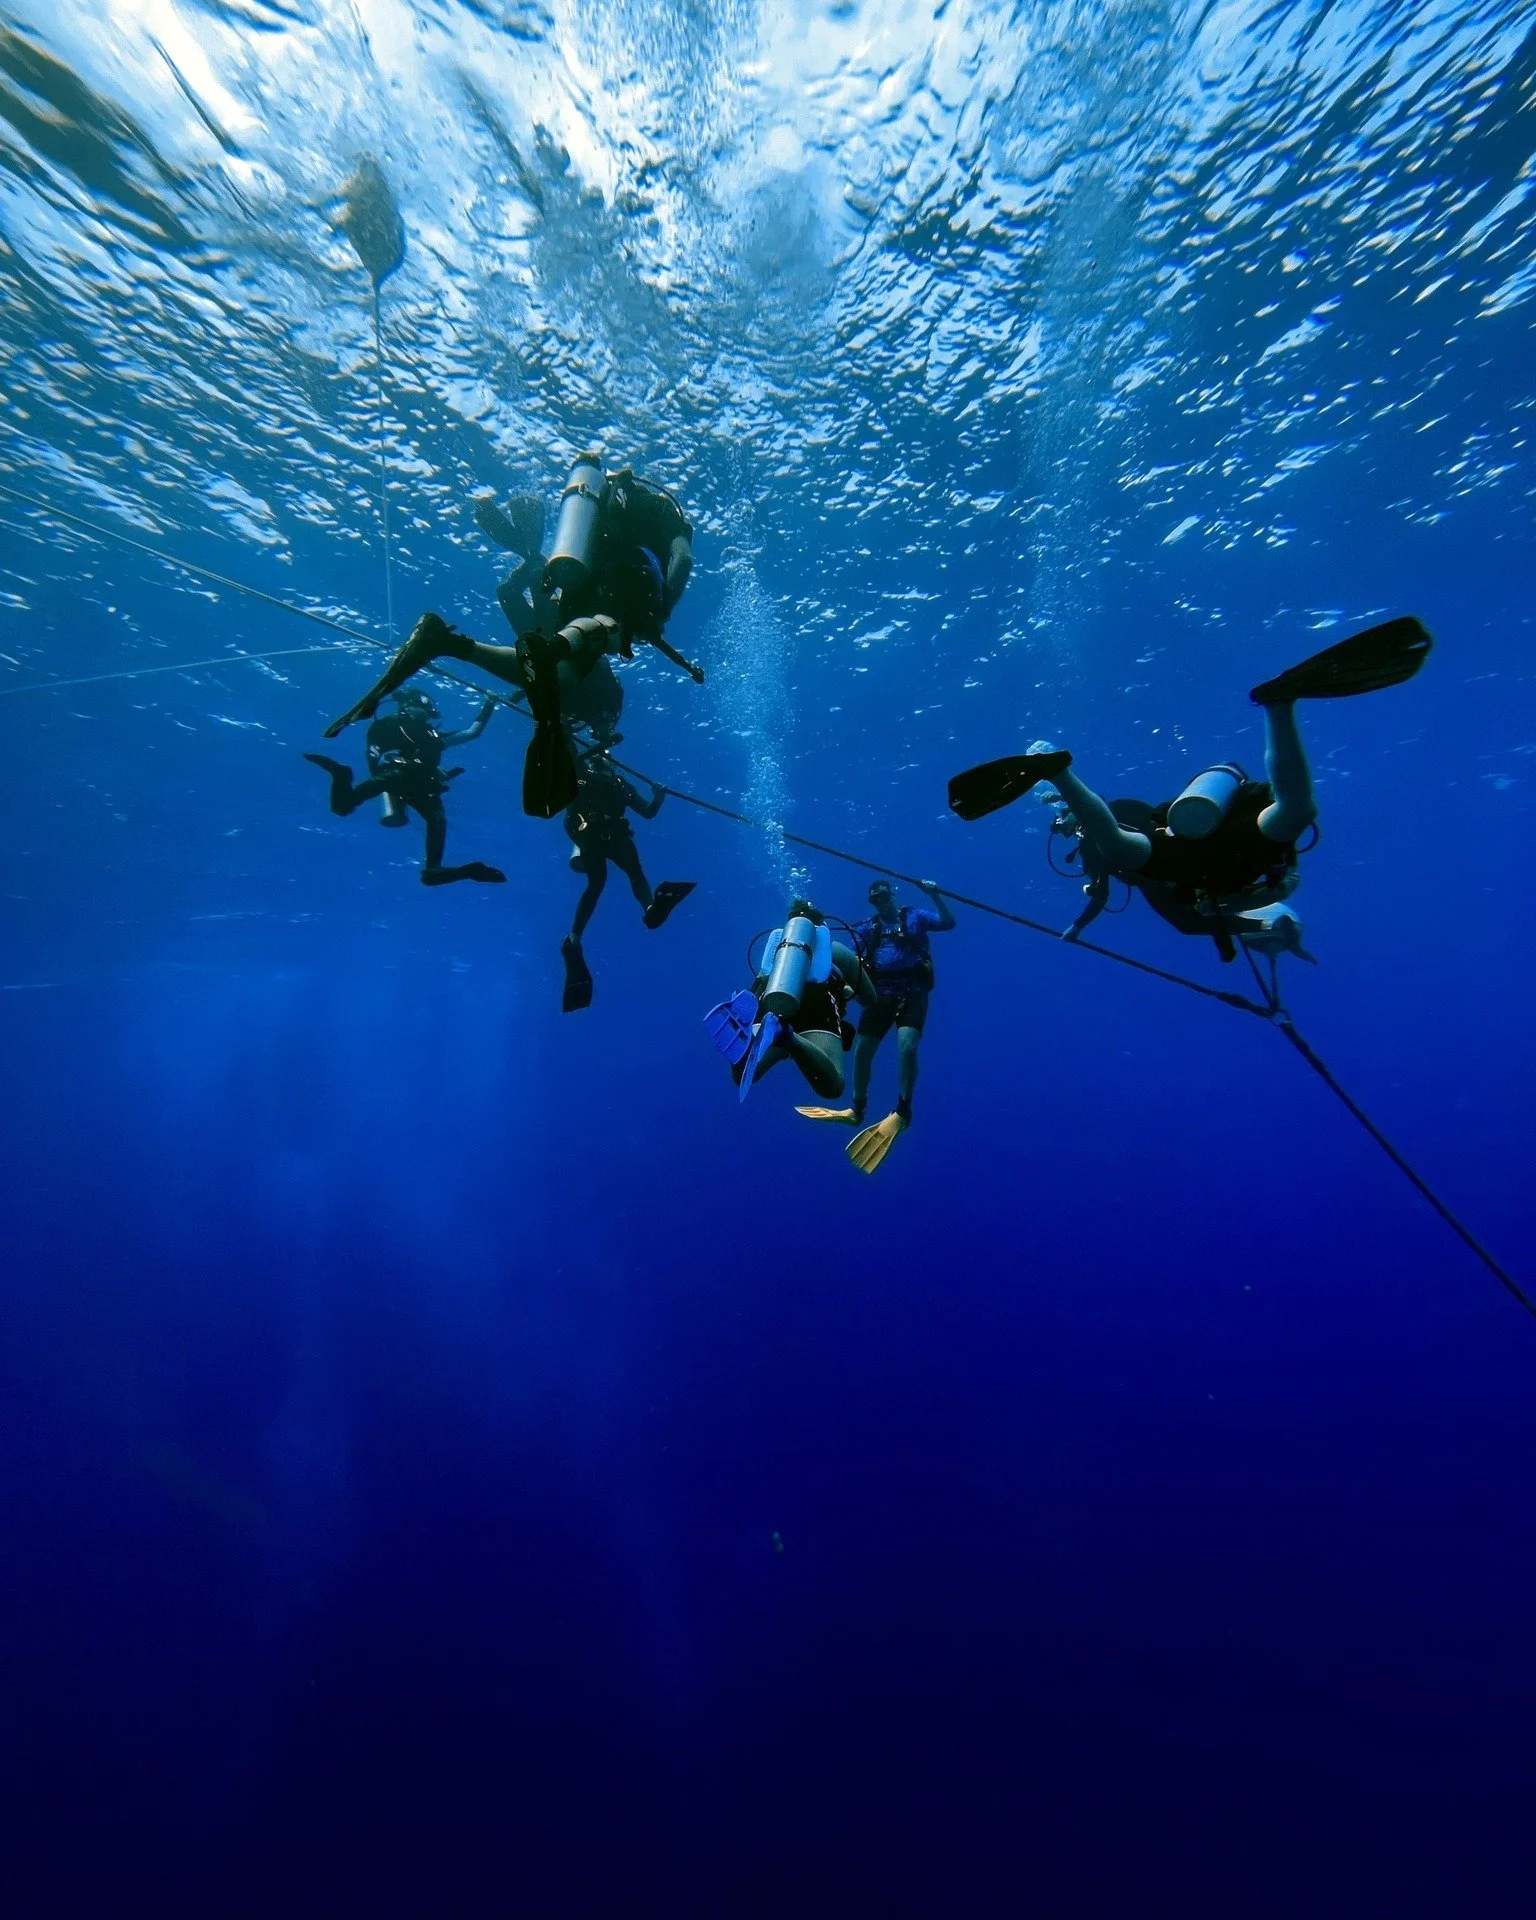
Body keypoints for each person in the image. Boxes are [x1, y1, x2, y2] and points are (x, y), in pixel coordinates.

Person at [947, 616, 1432, 961]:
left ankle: (1059, 774)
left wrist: (1081, 920)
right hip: (1214, 847)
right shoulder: (1260, 879)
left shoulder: (1209, 886)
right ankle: (1279, 705)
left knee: (1126, 845)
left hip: (1189, 853)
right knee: (1292, 812)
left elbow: (1149, 890)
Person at [323, 462, 703, 818]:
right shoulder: (668, 515)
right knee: (605, 628)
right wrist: (662, 610)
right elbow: (681, 560)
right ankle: (546, 642)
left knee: (564, 672)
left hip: (575, 588)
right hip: (623, 587)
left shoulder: (604, 502)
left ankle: (447, 642)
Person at [795, 879, 955, 1153]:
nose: (880, 902)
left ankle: (903, 1111)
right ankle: (856, 1109)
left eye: (883, 896)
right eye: (874, 899)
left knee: (907, 1046)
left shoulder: (915, 916)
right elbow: (847, 962)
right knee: (862, 1051)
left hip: (913, 991)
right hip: (881, 994)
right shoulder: (868, 929)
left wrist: (935, 895)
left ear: (892, 894)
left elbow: (947, 922)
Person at [304, 686, 505, 886]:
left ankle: (435, 870)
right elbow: (376, 755)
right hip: (396, 777)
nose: (423, 712)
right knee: (342, 807)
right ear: (405, 707)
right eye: (419, 706)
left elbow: (472, 732)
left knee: (436, 828)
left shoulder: (432, 737)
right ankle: (342, 775)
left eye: (425, 709)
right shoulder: (391, 726)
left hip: (420, 785)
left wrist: (490, 702)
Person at [557, 738, 696, 1013]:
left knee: (627, 876)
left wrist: (658, 796)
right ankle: (575, 938)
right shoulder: (583, 776)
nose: (601, 762)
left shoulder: (619, 784)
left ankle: (649, 911)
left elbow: (647, 812)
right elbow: (570, 757)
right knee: (605, 881)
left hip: (611, 835)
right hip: (593, 835)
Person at [705, 902, 878, 1114]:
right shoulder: (834, 949)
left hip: (771, 997)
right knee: (833, 1085)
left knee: (745, 1075)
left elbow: (762, 976)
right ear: (821, 925)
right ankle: (787, 1036)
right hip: (817, 998)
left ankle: (750, 1033)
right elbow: (870, 998)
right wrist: (846, 988)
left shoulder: (778, 947)